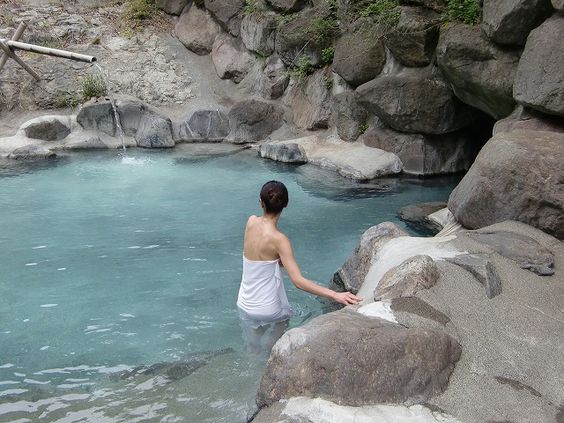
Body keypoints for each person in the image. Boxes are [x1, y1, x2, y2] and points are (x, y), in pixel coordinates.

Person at [237, 180, 361, 353]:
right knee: (280, 332)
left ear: (261, 203)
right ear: (286, 204)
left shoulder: (250, 222)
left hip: (244, 303)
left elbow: (257, 256)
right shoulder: (280, 241)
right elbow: (298, 281)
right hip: (268, 309)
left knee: (253, 344)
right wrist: (335, 295)